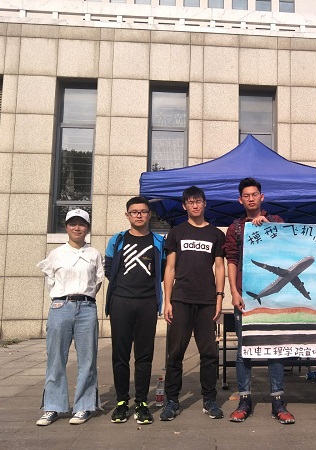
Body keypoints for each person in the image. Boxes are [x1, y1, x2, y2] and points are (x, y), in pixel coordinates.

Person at [223, 177, 295, 425]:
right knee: (244, 350)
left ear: (262, 197)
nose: (251, 198)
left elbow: (290, 247)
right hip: (245, 297)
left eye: (254, 194)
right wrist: (234, 292)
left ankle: (278, 401)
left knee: (275, 348)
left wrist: (269, 228)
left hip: (274, 299)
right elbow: (231, 260)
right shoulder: (235, 228)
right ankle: (244, 399)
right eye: (246, 195)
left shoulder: (276, 221)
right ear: (240, 200)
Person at [160, 186, 226, 421]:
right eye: (190, 202)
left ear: (205, 204)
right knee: (175, 353)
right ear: (184, 206)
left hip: (207, 300)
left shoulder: (216, 234)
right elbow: (170, 268)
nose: (195, 205)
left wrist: (219, 297)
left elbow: (220, 267)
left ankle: (209, 400)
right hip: (180, 299)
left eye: (198, 201)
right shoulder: (176, 233)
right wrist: (167, 301)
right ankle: (172, 400)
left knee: (209, 353)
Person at [36, 209, 104, 426]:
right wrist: (63, 298)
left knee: (88, 359)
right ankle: (53, 406)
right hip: (60, 306)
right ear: (66, 227)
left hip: (87, 308)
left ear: (88, 228)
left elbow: (98, 281)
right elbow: (50, 280)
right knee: (56, 357)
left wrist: (84, 297)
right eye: (72, 224)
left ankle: (84, 406)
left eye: (81, 224)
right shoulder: (56, 254)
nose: (77, 228)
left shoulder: (94, 254)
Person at [105, 196, 165, 425]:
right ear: (127, 215)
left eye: (143, 211)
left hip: (147, 303)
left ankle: (141, 402)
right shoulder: (118, 239)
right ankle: (122, 401)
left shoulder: (158, 241)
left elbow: (162, 270)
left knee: (144, 355)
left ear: (149, 215)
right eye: (134, 212)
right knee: (120, 355)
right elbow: (109, 268)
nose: (139, 215)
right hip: (121, 302)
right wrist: (124, 288)